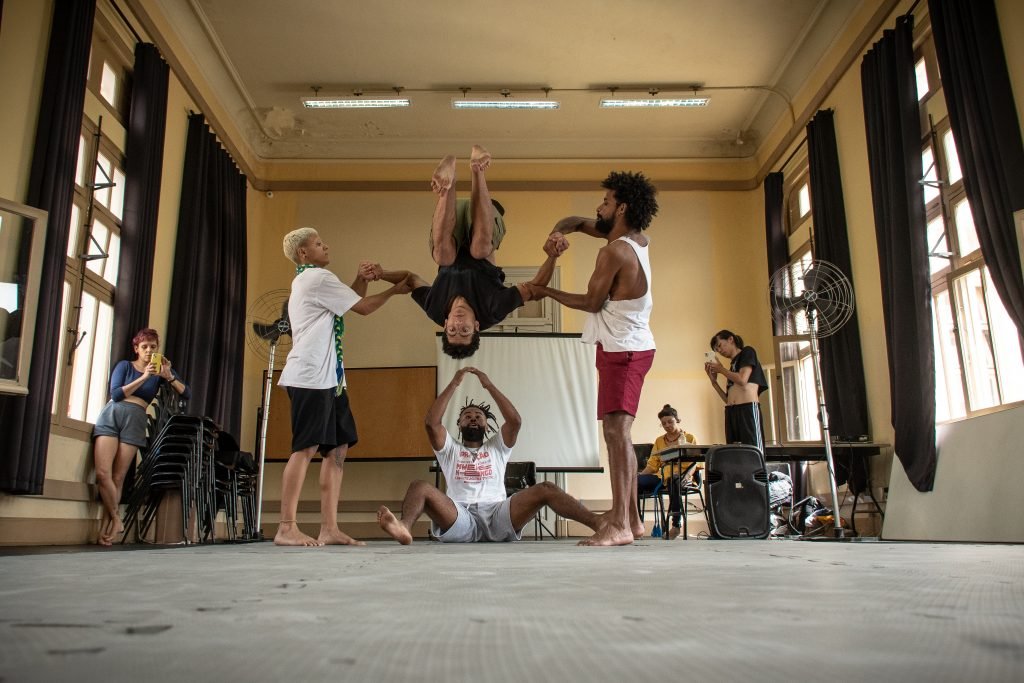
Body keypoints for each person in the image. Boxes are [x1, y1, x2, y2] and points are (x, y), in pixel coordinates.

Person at [532, 171, 659, 546]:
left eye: (605, 202)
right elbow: (576, 222)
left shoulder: (615, 251)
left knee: (616, 433)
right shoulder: (632, 239)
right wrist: (559, 232)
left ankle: (619, 524)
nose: (598, 208)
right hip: (627, 346)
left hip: (625, 350)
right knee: (620, 433)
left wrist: (545, 292)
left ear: (621, 207)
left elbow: (590, 303)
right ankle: (632, 521)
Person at [276, 227, 413, 547]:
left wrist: (362, 279)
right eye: (318, 244)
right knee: (306, 447)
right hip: (310, 377)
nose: (326, 246)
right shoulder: (316, 279)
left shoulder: (312, 281)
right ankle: (286, 526)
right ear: (303, 254)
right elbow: (362, 308)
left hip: (330, 379)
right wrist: (395, 290)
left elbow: (349, 300)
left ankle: (329, 528)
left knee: (337, 449)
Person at [376, 367, 603, 544]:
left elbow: (515, 421)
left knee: (546, 489)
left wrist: (489, 386)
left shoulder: (498, 446)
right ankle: (403, 527)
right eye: (467, 415)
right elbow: (431, 422)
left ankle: (598, 523)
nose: (473, 418)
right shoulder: (450, 449)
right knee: (419, 486)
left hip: (497, 514)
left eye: (478, 416)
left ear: (487, 425)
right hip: (459, 516)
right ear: (459, 424)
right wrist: (454, 384)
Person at [404, 145, 557, 359]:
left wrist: (382, 276)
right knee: (479, 250)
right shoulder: (493, 310)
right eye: (464, 330)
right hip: (483, 222)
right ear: (476, 325)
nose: (458, 323)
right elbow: (534, 289)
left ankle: (448, 185)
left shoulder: (434, 309)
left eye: (452, 330)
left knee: (442, 257)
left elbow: (411, 280)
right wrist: (553, 256)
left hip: (449, 225)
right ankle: (478, 169)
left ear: (445, 324)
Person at [92, 328, 190, 545]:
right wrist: (145, 376)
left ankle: (106, 529)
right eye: (144, 347)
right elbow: (116, 394)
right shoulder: (125, 366)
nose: (148, 351)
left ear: (157, 349)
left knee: (118, 477)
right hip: (112, 414)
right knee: (102, 473)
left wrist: (169, 376)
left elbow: (186, 393)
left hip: (136, 419)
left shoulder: (161, 372)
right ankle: (116, 518)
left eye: (153, 347)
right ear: (136, 348)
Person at [638, 404, 698, 540]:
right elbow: (653, 465)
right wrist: (639, 476)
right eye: (663, 423)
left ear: (677, 420)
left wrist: (687, 476)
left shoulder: (689, 438)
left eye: (670, 422)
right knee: (633, 483)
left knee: (674, 480)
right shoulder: (659, 441)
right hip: (662, 476)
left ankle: (676, 526)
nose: (667, 425)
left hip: (682, 476)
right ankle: (636, 524)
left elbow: (695, 462)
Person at [705, 329, 769, 449]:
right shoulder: (731, 367)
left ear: (730, 339)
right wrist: (714, 382)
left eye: (719, 345)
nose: (720, 351)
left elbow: (742, 380)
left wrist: (722, 369)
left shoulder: (747, 352)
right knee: (734, 452)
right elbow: (727, 399)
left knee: (753, 450)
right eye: (717, 350)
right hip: (731, 411)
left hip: (747, 409)